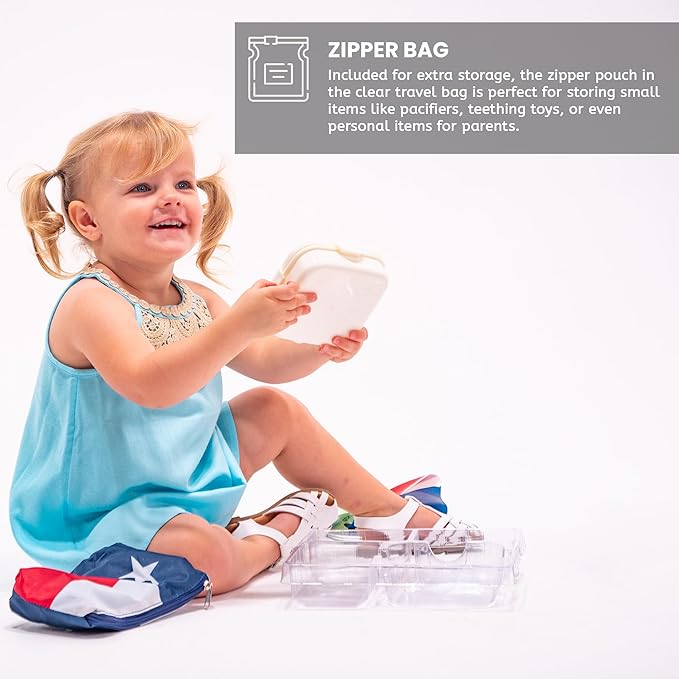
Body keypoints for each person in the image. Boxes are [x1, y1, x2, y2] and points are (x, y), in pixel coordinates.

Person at [10, 111, 479, 595]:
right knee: (209, 558)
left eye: (184, 184)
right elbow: (150, 385)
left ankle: (383, 511)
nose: (171, 197)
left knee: (274, 409)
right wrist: (237, 325)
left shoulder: (197, 298)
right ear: (88, 220)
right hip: (102, 515)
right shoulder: (91, 302)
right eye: (142, 188)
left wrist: (317, 347)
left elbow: (265, 361)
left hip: (187, 484)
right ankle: (276, 537)